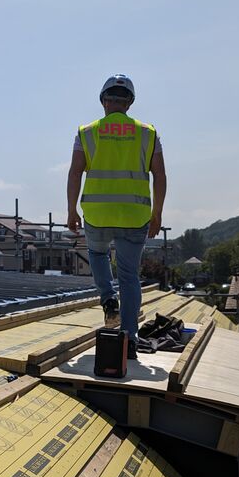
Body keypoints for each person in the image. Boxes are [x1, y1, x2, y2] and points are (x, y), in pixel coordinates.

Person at [66, 74, 166, 356]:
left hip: (97, 212)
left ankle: (108, 300)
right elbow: (159, 174)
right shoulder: (148, 133)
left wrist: (71, 209)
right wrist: (157, 212)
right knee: (129, 276)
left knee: (97, 255)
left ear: (103, 101)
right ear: (130, 103)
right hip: (135, 214)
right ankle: (129, 337)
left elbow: (75, 172)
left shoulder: (87, 132)